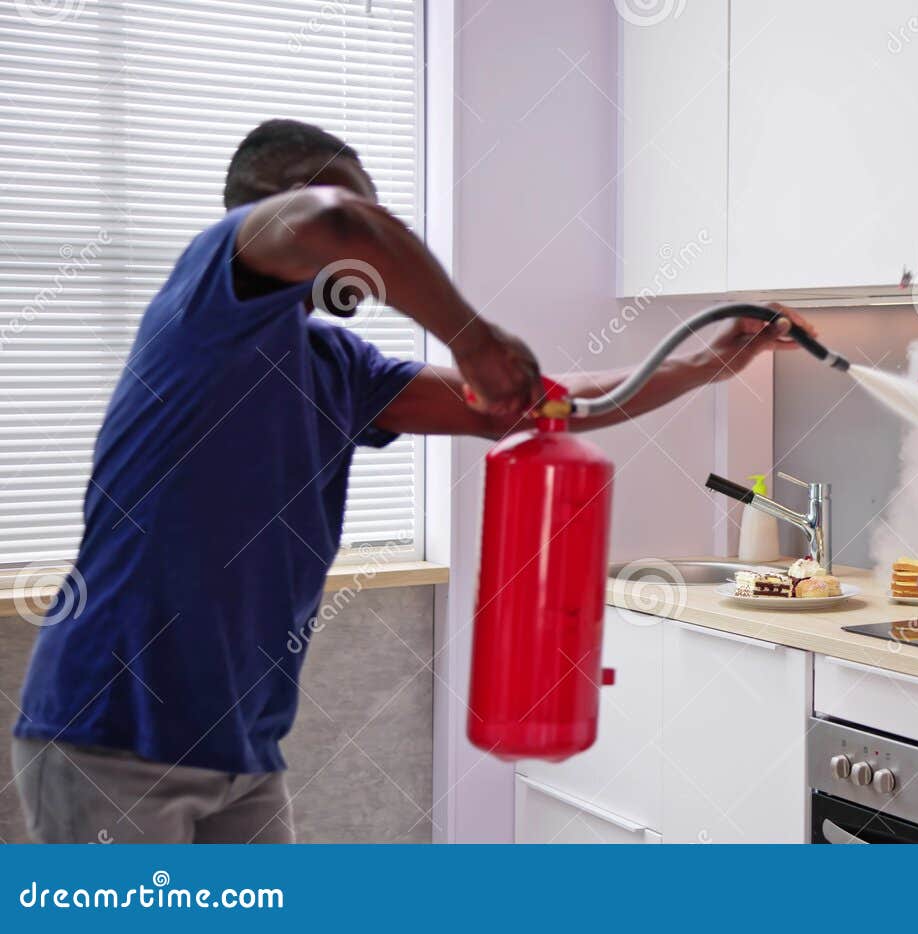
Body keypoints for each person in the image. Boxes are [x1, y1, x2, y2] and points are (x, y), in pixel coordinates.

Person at [10, 119, 814, 844]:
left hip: (241, 747)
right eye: (364, 213)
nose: (377, 239)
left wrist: (711, 363)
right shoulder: (206, 297)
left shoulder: (339, 368)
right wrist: (472, 337)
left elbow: (542, 408)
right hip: (112, 734)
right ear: (270, 213)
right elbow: (344, 223)